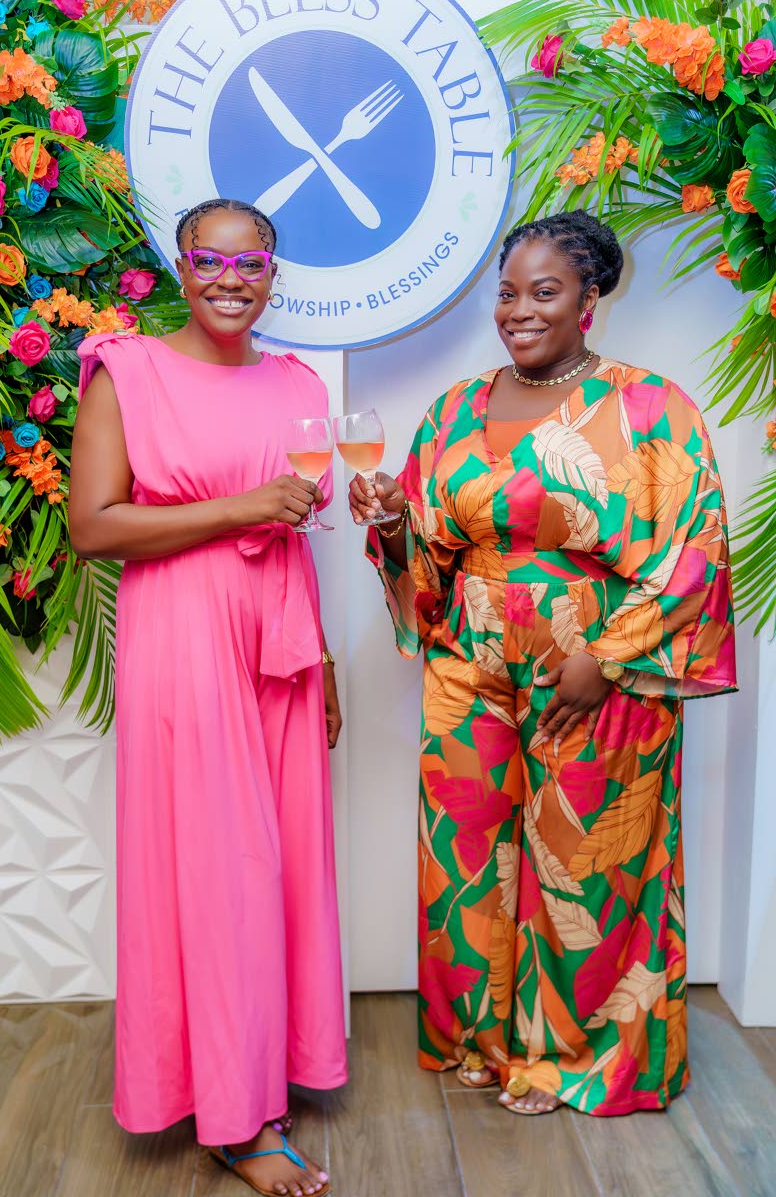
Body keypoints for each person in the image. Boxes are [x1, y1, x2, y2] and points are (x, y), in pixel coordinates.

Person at [348, 210, 736, 1117]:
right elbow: (426, 556)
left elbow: (695, 549)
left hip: (594, 667)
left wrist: (607, 658)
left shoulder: (651, 405)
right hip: (468, 661)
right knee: (465, 856)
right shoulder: (454, 407)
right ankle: (483, 1041)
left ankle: (568, 1057)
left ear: (589, 299)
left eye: (545, 291)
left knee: (583, 864)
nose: (519, 310)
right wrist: (392, 522)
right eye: (508, 293)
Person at [70, 198, 346, 1196]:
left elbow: (298, 531)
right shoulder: (129, 371)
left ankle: (268, 1067)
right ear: (180, 268)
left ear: (273, 273)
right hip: (185, 638)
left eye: (251, 262)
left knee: (285, 864)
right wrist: (236, 507)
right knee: (220, 868)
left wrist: (325, 661)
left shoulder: (298, 382)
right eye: (208, 259)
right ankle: (236, 1118)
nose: (231, 278)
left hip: (282, 638)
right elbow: (93, 528)